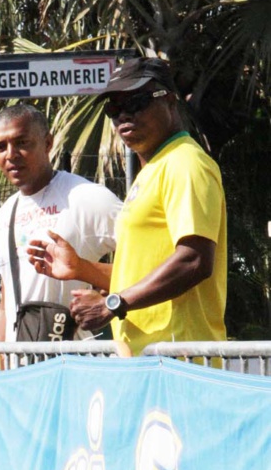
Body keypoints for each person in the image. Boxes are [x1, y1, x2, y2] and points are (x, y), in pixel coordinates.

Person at [27, 58, 227, 353]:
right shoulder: (153, 170)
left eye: (136, 102)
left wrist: (113, 304)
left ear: (169, 100)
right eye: (114, 109)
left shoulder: (185, 163)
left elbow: (194, 260)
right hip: (149, 356)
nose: (123, 116)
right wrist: (81, 267)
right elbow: (142, 275)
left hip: (179, 357)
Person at [0, 103, 121, 341]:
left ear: (48, 143)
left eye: (22, 142)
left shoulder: (85, 198)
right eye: (1, 147)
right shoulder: (4, 216)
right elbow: (5, 306)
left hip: (74, 358)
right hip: (19, 360)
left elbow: (152, 266)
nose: (10, 154)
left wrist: (109, 300)